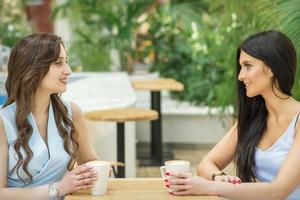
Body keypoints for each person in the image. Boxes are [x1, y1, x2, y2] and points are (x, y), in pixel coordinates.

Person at [166, 30, 300, 199]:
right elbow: (206, 164)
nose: (240, 75)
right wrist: (219, 178)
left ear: (271, 69)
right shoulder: (254, 120)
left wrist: (210, 187)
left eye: (248, 66)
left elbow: (279, 191)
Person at [0, 33, 100, 200]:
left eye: (66, 61)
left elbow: (90, 162)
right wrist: (58, 188)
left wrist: (97, 170)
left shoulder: (72, 113)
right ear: (32, 68)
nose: (68, 71)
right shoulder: (3, 122)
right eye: (58, 63)